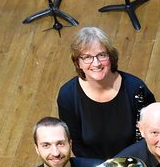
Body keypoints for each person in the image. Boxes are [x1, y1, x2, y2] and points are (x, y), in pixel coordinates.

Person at [56, 26, 154, 160]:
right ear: (78, 63)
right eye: (87, 57)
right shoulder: (68, 96)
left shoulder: (135, 88)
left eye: (102, 55)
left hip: (136, 162)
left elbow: (152, 132)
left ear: (111, 57)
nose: (96, 63)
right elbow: (76, 144)